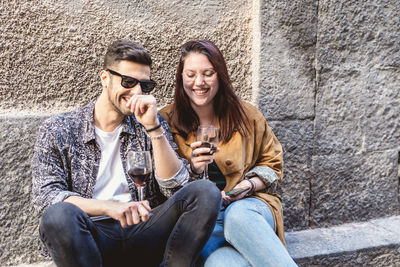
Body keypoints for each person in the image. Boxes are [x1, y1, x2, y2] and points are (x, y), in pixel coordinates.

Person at [31, 39, 221, 267]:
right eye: (128, 81)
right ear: (105, 78)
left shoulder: (151, 123)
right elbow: (46, 197)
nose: (137, 92)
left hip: (145, 230)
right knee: (58, 215)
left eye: (145, 85)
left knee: (206, 191)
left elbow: (176, 188)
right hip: (92, 236)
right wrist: (109, 207)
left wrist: (153, 128)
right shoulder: (59, 129)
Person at [159, 40, 297, 266]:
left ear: (220, 75)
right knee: (223, 264)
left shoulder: (246, 115)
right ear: (180, 78)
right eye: (191, 74)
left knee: (237, 215)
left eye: (208, 73)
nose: (199, 82)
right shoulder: (165, 121)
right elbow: (164, 187)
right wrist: (193, 169)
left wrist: (248, 186)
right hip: (204, 222)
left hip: (250, 208)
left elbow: (273, 164)